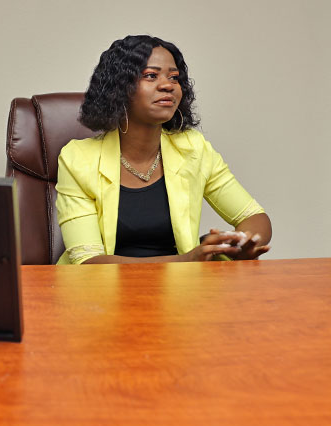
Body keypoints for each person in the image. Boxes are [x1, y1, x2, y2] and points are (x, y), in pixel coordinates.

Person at [56, 35, 271, 264]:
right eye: (151, 75)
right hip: (100, 293)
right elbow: (88, 262)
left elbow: (254, 216)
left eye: (174, 77)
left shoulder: (192, 148)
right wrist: (187, 261)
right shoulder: (78, 159)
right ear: (120, 88)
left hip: (180, 293)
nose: (168, 85)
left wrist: (241, 243)